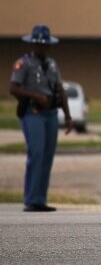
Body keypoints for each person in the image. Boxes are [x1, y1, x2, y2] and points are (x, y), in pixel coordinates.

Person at [10, 25, 72, 212]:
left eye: (45, 44)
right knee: (36, 153)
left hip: (51, 114)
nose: (42, 47)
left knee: (47, 156)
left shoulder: (52, 64)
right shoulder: (24, 63)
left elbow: (60, 89)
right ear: (33, 43)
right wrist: (36, 96)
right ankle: (31, 199)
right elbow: (14, 88)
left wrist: (67, 115)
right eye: (39, 44)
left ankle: (40, 199)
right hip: (33, 112)